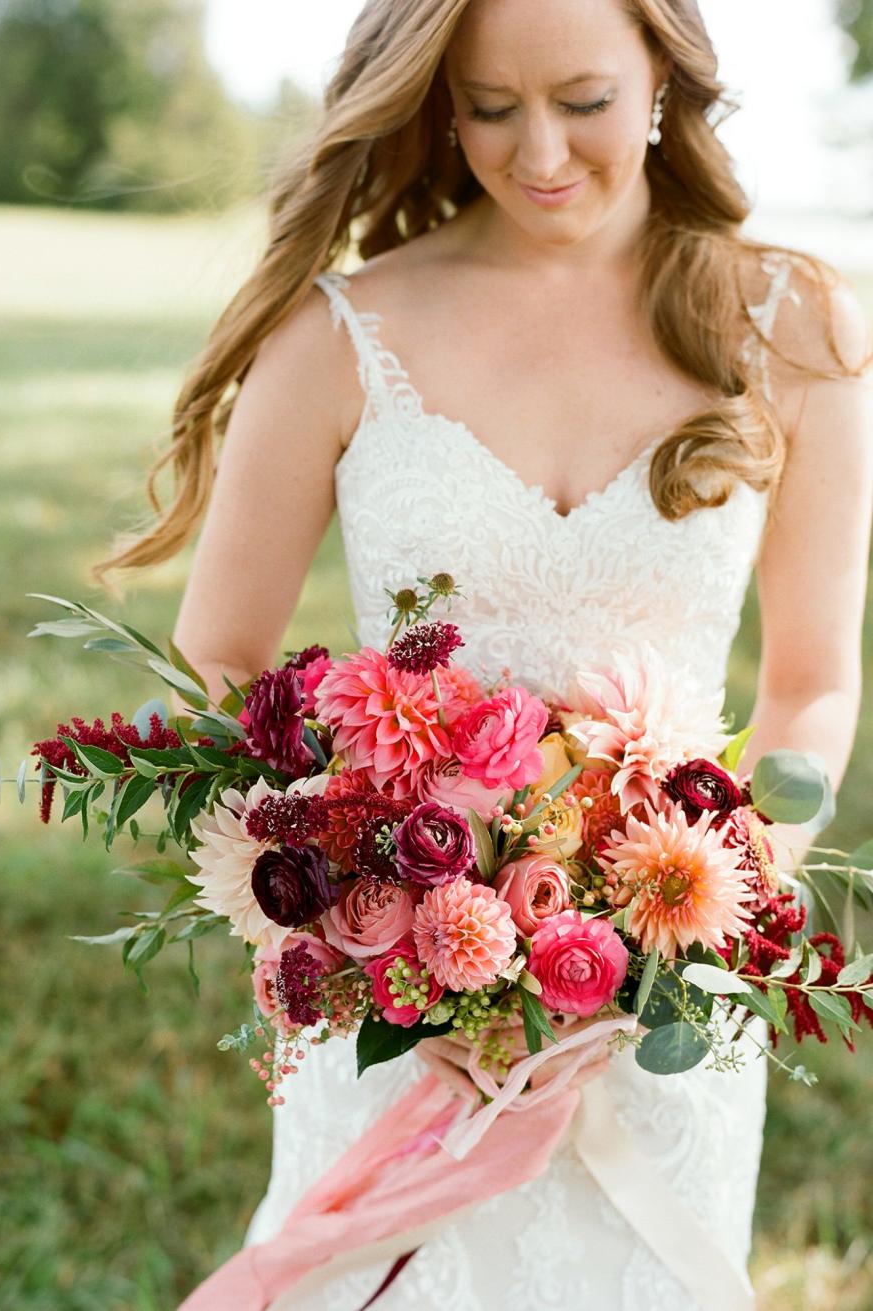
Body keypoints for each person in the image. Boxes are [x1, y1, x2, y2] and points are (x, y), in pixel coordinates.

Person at [96, 0, 872, 1305]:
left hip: (666, 1010)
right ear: (439, 105)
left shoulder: (797, 331)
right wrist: (375, 938)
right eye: (492, 109)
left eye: (584, 101)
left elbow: (810, 681)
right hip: (405, 1003)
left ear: (666, 83)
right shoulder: (340, 334)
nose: (542, 155)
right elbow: (218, 659)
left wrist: (683, 925)